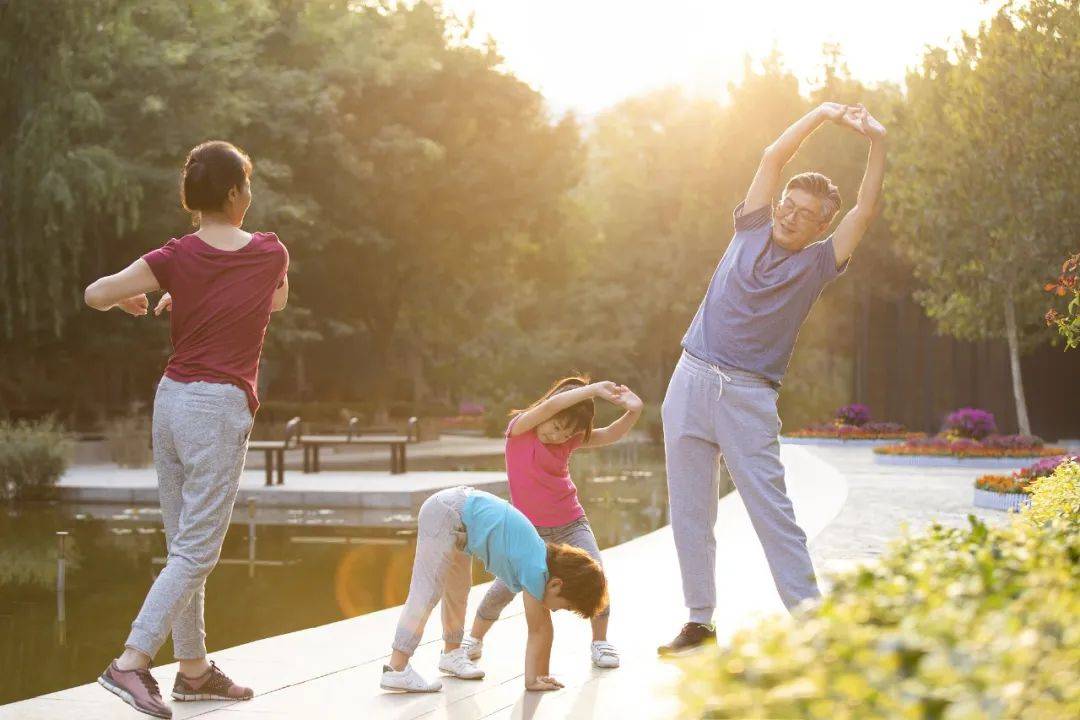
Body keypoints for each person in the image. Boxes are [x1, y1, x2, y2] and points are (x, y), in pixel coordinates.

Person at [658, 103, 887, 655]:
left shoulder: (818, 264)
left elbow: (865, 208)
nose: (789, 215)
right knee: (690, 512)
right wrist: (822, 115)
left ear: (819, 225)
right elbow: (772, 155)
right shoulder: (752, 223)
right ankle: (699, 622)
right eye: (789, 203)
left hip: (748, 398)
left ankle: (812, 626)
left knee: (773, 515)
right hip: (689, 380)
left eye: (804, 212)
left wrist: (877, 143)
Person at [84, 140, 289, 718]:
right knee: (197, 551)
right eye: (247, 184)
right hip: (218, 409)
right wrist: (208, 293)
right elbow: (274, 302)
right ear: (233, 193)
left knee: (182, 547)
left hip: (170, 403)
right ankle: (130, 661)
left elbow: (95, 293)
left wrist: (136, 299)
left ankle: (193, 669)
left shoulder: (173, 256)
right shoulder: (270, 252)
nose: (250, 194)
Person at [460, 377, 642, 670]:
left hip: (571, 522)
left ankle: (600, 642)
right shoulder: (519, 429)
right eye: (556, 427)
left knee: (596, 575)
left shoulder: (568, 439)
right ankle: (474, 639)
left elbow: (608, 434)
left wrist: (634, 411)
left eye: (568, 433)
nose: (559, 437)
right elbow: (555, 404)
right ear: (545, 415)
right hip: (528, 531)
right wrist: (594, 390)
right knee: (505, 586)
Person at [381, 486, 608, 693]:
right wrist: (534, 680)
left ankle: (451, 653)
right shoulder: (536, 569)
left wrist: (542, 675)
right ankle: (397, 666)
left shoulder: (539, 561)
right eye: (566, 606)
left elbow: (543, 627)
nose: (558, 611)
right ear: (557, 584)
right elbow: (540, 629)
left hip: (462, 523)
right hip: (447, 512)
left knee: (458, 591)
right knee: (427, 590)